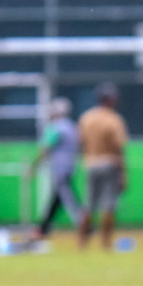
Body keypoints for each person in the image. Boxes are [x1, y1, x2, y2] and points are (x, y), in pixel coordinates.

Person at [76, 83, 127, 250]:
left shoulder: (86, 117)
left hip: (90, 164)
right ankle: (106, 244)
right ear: (110, 99)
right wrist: (124, 174)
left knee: (88, 205)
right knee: (108, 206)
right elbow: (119, 148)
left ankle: (82, 243)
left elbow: (80, 143)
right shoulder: (114, 119)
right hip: (110, 163)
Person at [28, 97, 82, 240]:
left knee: (68, 198)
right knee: (57, 199)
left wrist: (33, 167)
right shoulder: (72, 127)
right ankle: (43, 228)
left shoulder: (55, 128)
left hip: (59, 169)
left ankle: (84, 225)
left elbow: (45, 149)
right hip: (70, 166)